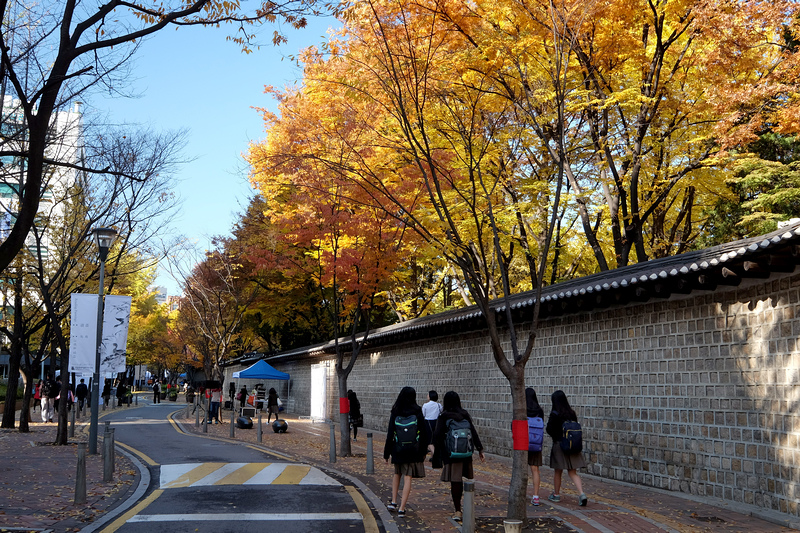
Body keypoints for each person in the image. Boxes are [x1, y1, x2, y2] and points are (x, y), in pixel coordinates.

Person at [430, 390, 485, 522]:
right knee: (466, 481)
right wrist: (480, 449)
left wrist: (433, 449)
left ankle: (458, 510)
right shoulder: (464, 414)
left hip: (452, 454)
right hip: (466, 454)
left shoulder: (444, 416)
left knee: (456, 482)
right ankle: (468, 507)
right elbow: (473, 432)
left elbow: (437, 435)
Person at [383, 386, 429, 518]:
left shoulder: (396, 410)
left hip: (398, 448)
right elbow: (424, 433)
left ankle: (393, 502)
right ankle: (402, 509)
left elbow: (390, 433)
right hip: (413, 450)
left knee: (397, 473)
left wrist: (387, 453)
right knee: (408, 477)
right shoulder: (417, 411)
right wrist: (422, 452)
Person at [546, 390, 587, 506]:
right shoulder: (571, 413)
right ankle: (581, 493)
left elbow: (549, 429)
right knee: (573, 472)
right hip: (572, 445)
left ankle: (556, 494)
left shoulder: (555, 414)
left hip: (559, 445)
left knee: (558, 471)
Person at [526, 387, 545, 506]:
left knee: (521, 469)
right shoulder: (539, 410)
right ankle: (536, 496)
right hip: (536, 443)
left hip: (524, 442)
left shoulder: (522, 409)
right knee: (535, 470)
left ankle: (520, 494)